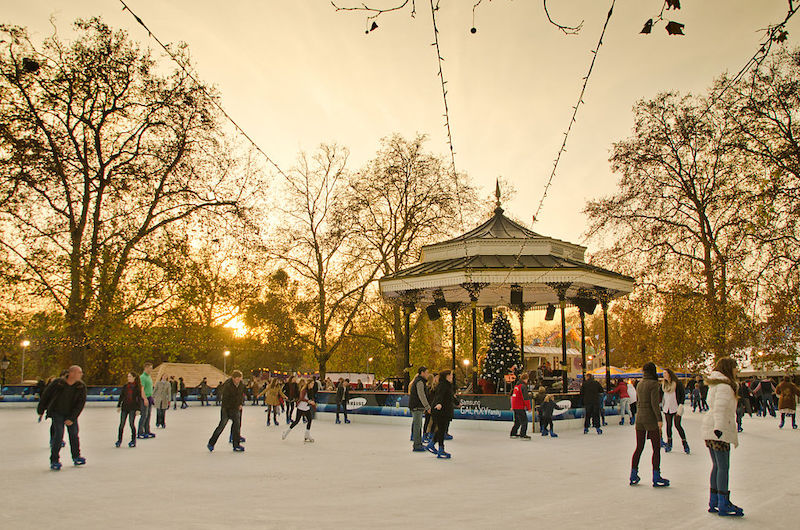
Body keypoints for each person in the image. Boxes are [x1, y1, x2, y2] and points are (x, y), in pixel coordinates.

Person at [703, 357, 744, 517]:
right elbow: (719, 409)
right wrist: (719, 429)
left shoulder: (716, 384)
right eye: (735, 367)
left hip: (711, 429)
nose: (736, 370)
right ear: (729, 368)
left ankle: (714, 500)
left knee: (717, 466)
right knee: (723, 467)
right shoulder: (725, 387)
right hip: (718, 430)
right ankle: (723, 502)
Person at [37, 366, 87, 470]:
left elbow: (80, 404)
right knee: (58, 435)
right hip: (57, 412)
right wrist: (41, 410)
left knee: (74, 435)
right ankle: (54, 460)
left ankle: (76, 456)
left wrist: (72, 418)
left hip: (71, 414)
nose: (81, 375)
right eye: (79, 372)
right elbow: (46, 395)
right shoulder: (58, 383)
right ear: (72, 373)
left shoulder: (81, 386)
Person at [629, 362, 669, 487]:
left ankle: (633, 474)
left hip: (640, 418)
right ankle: (656, 476)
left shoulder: (639, 384)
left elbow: (638, 401)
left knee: (639, 447)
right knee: (656, 448)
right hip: (650, 418)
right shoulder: (653, 384)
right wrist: (659, 419)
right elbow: (654, 404)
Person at [207, 370, 246, 452]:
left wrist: (240, 403)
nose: (239, 380)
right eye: (237, 379)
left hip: (235, 408)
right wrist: (233, 406)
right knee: (221, 426)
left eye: (240, 378)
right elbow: (226, 399)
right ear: (233, 378)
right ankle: (211, 443)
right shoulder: (227, 385)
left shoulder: (241, 384)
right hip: (226, 408)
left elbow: (241, 395)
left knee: (237, 426)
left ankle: (236, 445)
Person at [425, 369, 455, 459]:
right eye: (451, 375)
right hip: (440, 410)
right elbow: (439, 395)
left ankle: (432, 444)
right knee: (441, 430)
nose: (452, 377)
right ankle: (440, 449)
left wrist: (457, 402)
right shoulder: (443, 385)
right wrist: (439, 403)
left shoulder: (447, 385)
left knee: (441, 429)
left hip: (444, 411)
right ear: (447, 376)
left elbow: (450, 396)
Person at [661, 368, 689, 454]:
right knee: (668, 426)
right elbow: (660, 395)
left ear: (669, 374)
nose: (664, 375)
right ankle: (669, 444)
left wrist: (680, 405)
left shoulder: (677, 383)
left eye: (665, 373)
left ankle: (685, 444)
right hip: (667, 408)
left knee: (677, 425)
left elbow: (682, 395)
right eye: (663, 373)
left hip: (676, 407)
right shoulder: (663, 385)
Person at [117, 372, 143, 447]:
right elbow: (121, 396)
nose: (128, 378)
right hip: (125, 407)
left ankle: (133, 440)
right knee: (121, 424)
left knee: (131, 423)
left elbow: (139, 399)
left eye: (130, 376)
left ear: (134, 377)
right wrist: (119, 405)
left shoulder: (137, 387)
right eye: (128, 376)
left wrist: (138, 409)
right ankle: (119, 440)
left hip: (133, 408)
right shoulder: (125, 386)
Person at [409, 366, 431, 452]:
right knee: (418, 425)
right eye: (427, 372)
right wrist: (427, 406)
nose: (428, 374)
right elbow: (421, 395)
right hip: (416, 406)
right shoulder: (419, 382)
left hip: (417, 406)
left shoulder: (419, 381)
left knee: (417, 424)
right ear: (422, 373)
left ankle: (418, 443)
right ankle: (417, 444)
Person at [509, 372, 532, 440]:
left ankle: (513, 433)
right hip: (520, 406)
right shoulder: (523, 386)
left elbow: (513, 396)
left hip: (515, 406)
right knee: (524, 421)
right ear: (526, 379)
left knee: (517, 421)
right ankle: (523, 434)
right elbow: (525, 398)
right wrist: (529, 408)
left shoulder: (516, 386)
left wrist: (512, 406)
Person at [138, 362, 155, 439]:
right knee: (144, 415)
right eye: (150, 368)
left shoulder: (149, 377)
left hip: (149, 397)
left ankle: (147, 431)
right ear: (146, 368)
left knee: (148, 415)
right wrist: (145, 399)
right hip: (144, 398)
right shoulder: (142, 377)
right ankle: (140, 432)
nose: (151, 370)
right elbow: (142, 389)